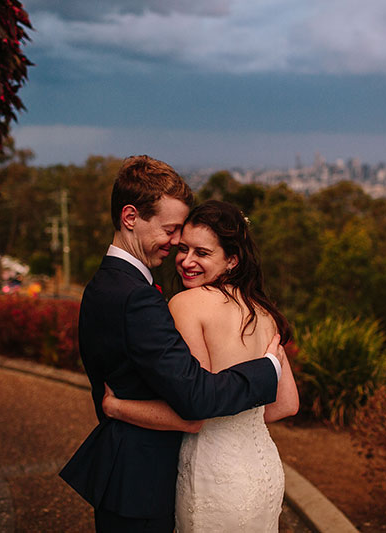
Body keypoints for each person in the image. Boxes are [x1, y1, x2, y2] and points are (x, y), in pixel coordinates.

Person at [59, 156, 286, 533]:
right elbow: (195, 401)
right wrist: (269, 369)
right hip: (141, 481)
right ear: (130, 217)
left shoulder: (105, 284)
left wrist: (117, 405)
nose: (178, 241)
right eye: (171, 229)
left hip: (130, 473)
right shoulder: (138, 298)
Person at [102, 200, 299, 531]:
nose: (186, 261)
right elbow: (287, 405)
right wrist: (240, 419)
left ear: (232, 260)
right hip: (262, 471)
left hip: (214, 475)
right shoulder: (264, 313)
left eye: (202, 253)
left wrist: (116, 407)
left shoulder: (186, 304)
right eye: (183, 249)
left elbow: (194, 412)